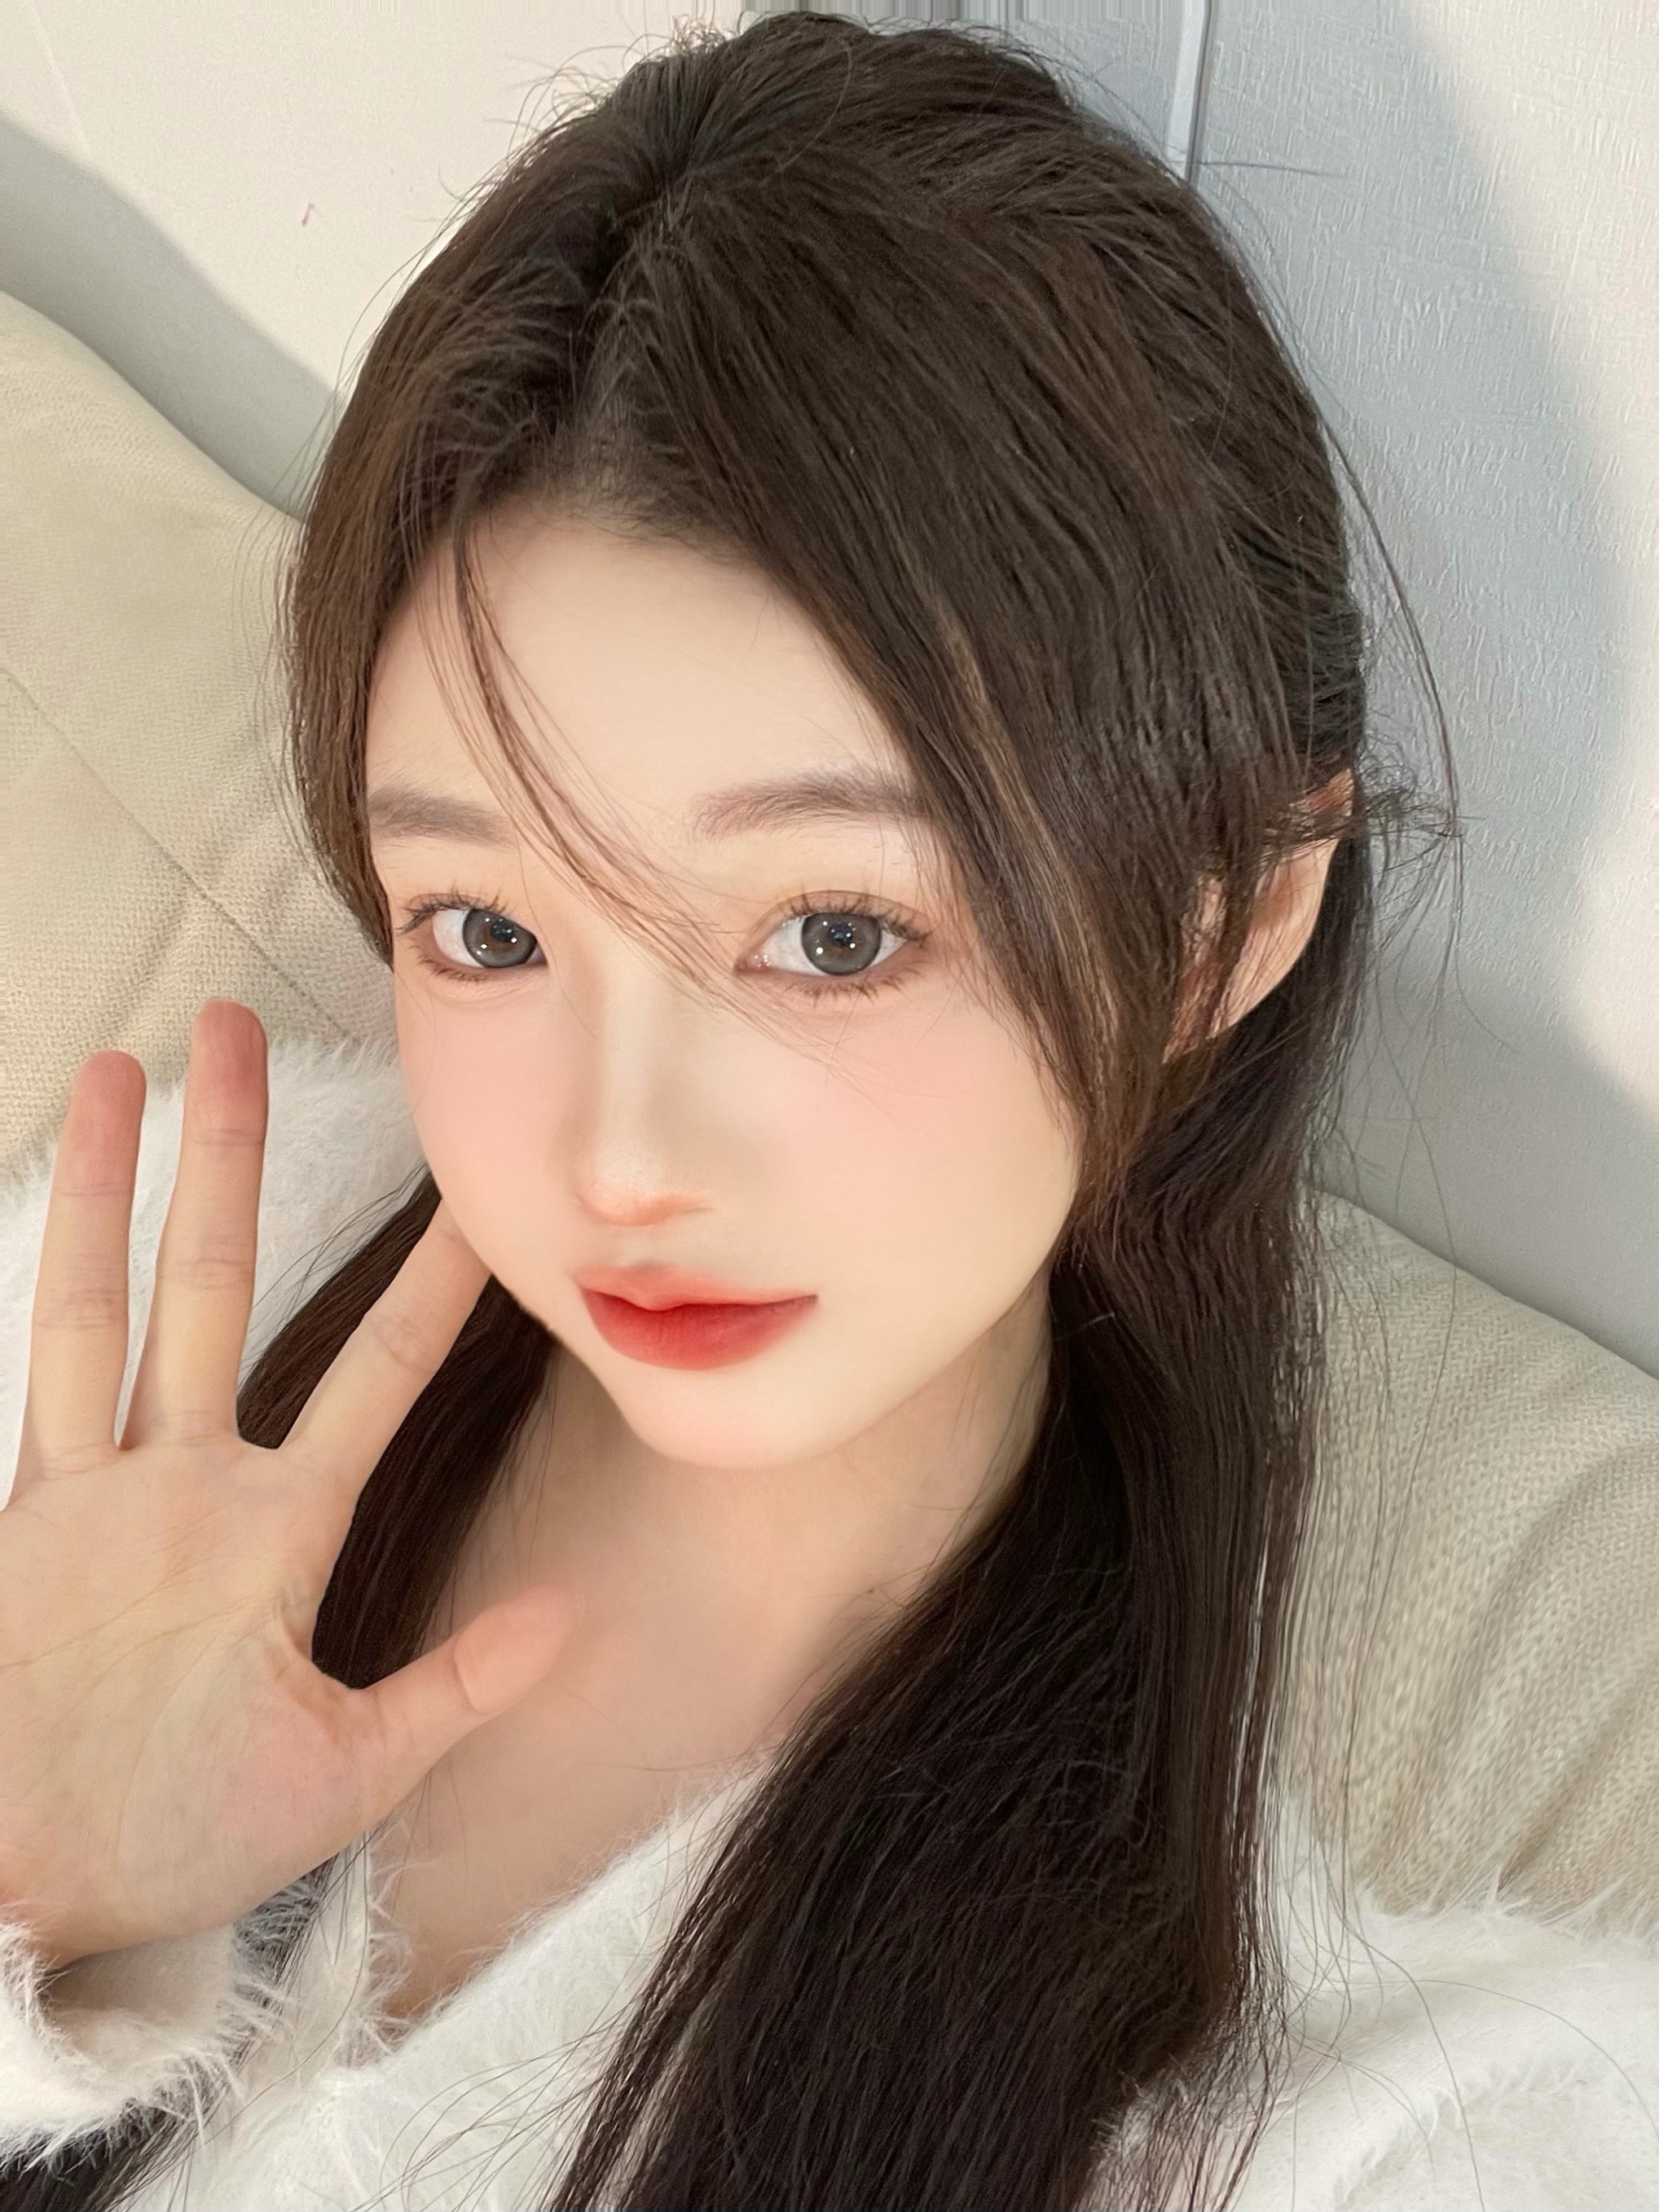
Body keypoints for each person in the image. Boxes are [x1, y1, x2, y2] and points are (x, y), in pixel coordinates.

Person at [1, 14, 1653, 2210]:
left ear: (1223, 928)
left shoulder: (1329, 2122)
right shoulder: (136, 1366)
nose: (618, 1156)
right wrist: (41, 1907)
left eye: (835, 935)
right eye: (486, 928)